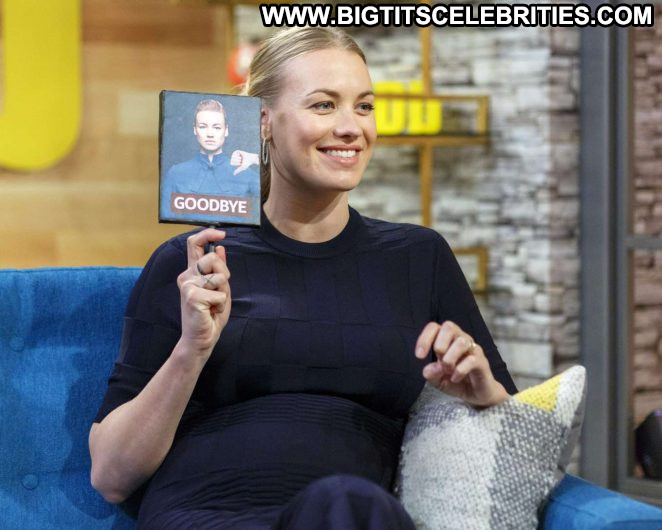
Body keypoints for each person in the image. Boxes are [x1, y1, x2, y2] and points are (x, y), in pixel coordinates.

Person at [89, 27, 517, 529]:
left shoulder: (420, 257)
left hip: (349, 515)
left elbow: (515, 441)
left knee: (343, 504)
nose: (351, 127)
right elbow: (111, 476)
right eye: (323, 105)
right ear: (262, 122)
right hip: (205, 514)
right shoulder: (193, 263)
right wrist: (192, 350)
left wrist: (483, 392)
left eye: (364, 106)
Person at [160, 98, 260, 224]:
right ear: (195, 129)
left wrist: (257, 159)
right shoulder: (176, 173)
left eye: (217, 127)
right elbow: (167, 223)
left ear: (226, 130)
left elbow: (274, 208)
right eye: (203, 127)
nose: (210, 134)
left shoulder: (245, 173)